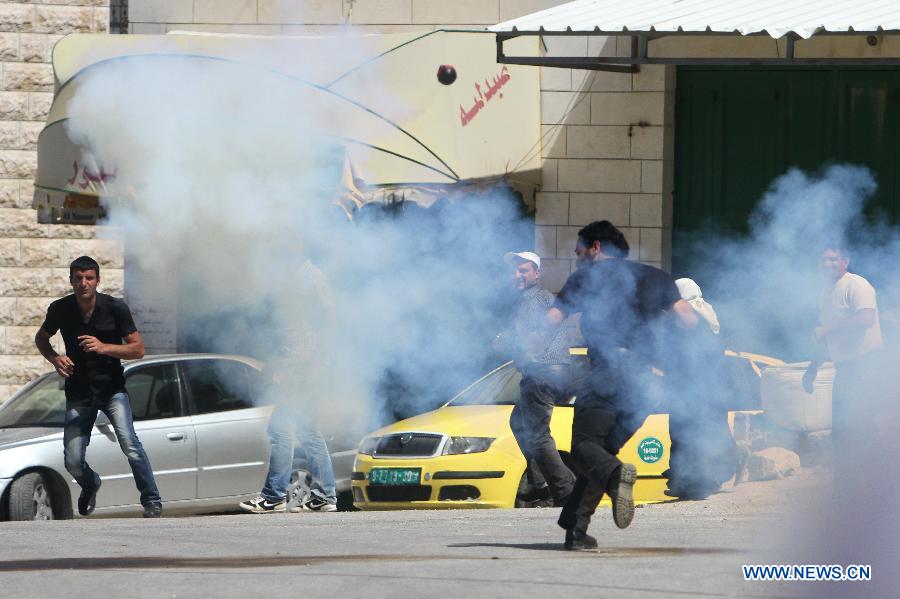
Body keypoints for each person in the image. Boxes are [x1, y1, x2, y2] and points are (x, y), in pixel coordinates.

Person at [547, 221, 698, 550]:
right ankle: (575, 529)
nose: (577, 259)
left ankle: (616, 476)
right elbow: (689, 321)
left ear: (596, 247)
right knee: (601, 452)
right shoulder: (656, 277)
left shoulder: (587, 278)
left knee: (586, 446)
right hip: (646, 385)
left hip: (609, 373)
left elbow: (553, 319)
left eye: (580, 252)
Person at [34, 256, 162, 518]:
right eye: (78, 278)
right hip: (79, 393)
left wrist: (104, 347)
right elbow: (41, 337)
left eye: (89, 278)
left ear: (97, 280)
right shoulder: (60, 309)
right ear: (71, 281)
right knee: (72, 459)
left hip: (112, 390)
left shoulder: (115, 308)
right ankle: (90, 484)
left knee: (130, 444)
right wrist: (55, 358)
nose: (84, 283)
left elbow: (138, 349)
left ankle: (152, 500)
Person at [239, 258, 338, 513]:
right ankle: (324, 496)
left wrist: (313, 365)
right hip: (298, 366)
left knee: (281, 429)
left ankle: (274, 496)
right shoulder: (294, 278)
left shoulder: (311, 278)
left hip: (303, 369)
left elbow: (328, 323)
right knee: (307, 431)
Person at [803, 244, 883, 499]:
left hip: (866, 364)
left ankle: (878, 485)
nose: (827, 264)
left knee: (859, 425)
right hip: (846, 367)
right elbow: (826, 338)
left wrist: (828, 329)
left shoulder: (857, 285)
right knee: (842, 428)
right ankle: (847, 489)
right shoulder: (826, 293)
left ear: (845, 262)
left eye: (832, 259)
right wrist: (812, 369)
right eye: (823, 260)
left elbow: (866, 319)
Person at [495, 251, 575, 507]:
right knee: (518, 420)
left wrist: (502, 342)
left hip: (541, 371)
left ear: (536, 273)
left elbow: (529, 338)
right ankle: (538, 482)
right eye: (515, 270)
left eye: (523, 270)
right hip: (557, 371)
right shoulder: (544, 298)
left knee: (538, 436)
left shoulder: (530, 300)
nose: (517, 275)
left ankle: (565, 491)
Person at [662, 278, 738, 500]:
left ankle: (695, 483)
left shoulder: (696, 320)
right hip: (690, 389)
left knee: (693, 436)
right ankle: (683, 482)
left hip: (699, 391)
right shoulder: (698, 317)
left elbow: (692, 359)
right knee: (681, 434)